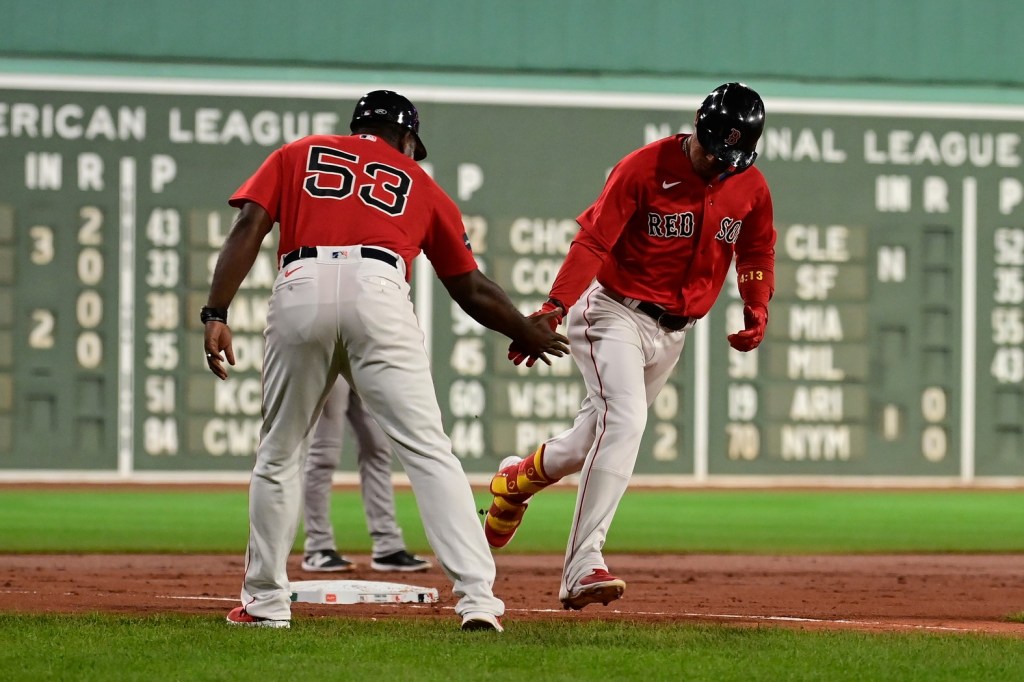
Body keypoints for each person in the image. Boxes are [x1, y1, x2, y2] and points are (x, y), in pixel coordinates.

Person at [202, 89, 568, 631]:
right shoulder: (420, 182)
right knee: (428, 452)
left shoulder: (297, 153)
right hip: (380, 288)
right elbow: (469, 287)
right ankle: (478, 601)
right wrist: (524, 328)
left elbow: (248, 228)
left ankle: (264, 604)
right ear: (407, 139)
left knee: (279, 453)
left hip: (301, 282)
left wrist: (215, 311)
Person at [484, 82, 776, 611]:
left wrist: (757, 303)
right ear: (697, 129)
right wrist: (556, 303)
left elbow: (757, 249)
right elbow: (594, 239)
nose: (720, 162)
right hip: (612, 313)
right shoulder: (643, 168)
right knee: (627, 422)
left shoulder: (749, 185)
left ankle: (515, 480)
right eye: (714, 149)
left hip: (673, 332)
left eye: (731, 155)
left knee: (590, 439)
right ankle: (582, 566)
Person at [301, 378, 431, 574]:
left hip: (361, 357)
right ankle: (318, 547)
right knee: (324, 453)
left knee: (377, 447)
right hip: (328, 355)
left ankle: (388, 547)